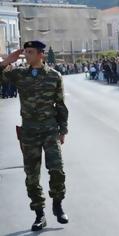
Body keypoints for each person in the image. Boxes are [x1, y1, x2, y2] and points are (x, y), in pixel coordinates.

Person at [0, 41, 69, 231]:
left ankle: (57, 204)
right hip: (29, 131)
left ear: (41, 54)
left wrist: (62, 130)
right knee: (32, 175)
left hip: (50, 130)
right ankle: (39, 214)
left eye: (30, 52)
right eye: (25, 52)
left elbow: (60, 105)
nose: (26, 55)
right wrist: (7, 61)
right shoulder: (20, 74)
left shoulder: (54, 76)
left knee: (57, 169)